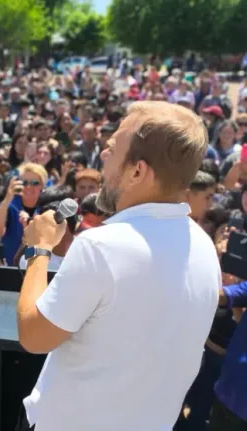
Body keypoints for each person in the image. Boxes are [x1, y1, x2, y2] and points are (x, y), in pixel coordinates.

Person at [16, 101, 219, 430]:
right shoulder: (204, 246)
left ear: (137, 171)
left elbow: (33, 336)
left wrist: (39, 250)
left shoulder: (100, 247)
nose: (103, 158)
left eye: (111, 149)